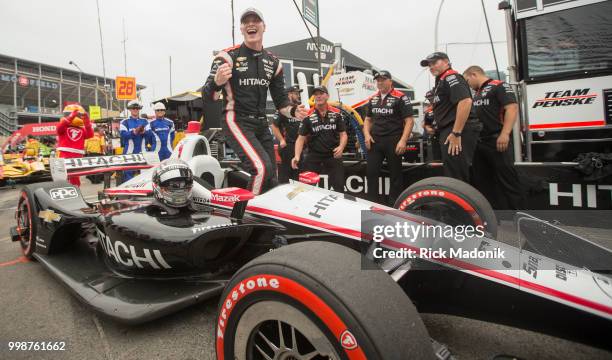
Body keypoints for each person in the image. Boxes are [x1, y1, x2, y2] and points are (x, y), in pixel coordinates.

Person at [203, 7, 308, 195]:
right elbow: (208, 97)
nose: (251, 24)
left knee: (272, 176)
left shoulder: (274, 63)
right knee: (261, 169)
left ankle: (270, 216)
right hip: (235, 120)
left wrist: (294, 112)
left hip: (261, 123)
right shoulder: (227, 57)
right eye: (246, 22)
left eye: (255, 20)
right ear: (242, 29)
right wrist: (217, 83)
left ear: (263, 27)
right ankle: (250, 216)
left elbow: (281, 102)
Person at [464, 65, 525, 209]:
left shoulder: (499, 86)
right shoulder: (476, 94)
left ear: (473, 74)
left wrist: (505, 133)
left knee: (508, 180)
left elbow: (512, 108)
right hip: (479, 143)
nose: (468, 85)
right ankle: (491, 218)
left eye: (467, 81)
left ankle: (522, 217)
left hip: (497, 140)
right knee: (483, 182)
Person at [420, 52, 480, 182]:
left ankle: (458, 202)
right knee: (453, 171)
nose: (431, 67)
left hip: (456, 131)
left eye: (434, 63)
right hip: (448, 130)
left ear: (446, 62)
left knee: (456, 174)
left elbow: (465, 101)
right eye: (429, 65)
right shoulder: (441, 80)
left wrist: (456, 133)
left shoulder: (451, 77)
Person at [363, 70, 414, 204]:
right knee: (371, 173)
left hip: (394, 140)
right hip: (375, 141)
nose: (380, 82)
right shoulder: (373, 98)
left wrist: (403, 141)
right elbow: (368, 120)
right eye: (378, 80)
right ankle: (372, 203)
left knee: (395, 175)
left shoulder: (401, 97)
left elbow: (409, 121)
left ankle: (394, 204)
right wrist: (367, 135)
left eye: (383, 80)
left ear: (390, 81)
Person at [292, 86, 347, 193]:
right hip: (314, 155)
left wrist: (341, 147)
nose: (318, 96)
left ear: (327, 96)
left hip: (333, 154)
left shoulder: (337, 113)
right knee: (305, 187)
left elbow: (343, 134)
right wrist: (297, 156)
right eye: (316, 94)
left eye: (321, 93)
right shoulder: (308, 115)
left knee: (339, 186)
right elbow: (300, 138)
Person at [56, 104, 94, 186]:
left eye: (79, 115)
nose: (78, 117)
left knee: (75, 177)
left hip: (77, 155)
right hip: (64, 153)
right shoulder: (64, 127)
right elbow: (59, 128)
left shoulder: (82, 129)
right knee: (61, 176)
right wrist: (71, 116)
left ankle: (76, 191)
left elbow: (90, 134)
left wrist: (87, 120)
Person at [271, 85, 303, 183]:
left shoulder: (299, 108)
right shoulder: (283, 109)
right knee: (285, 176)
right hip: (288, 146)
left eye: (298, 93)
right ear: (289, 94)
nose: (298, 96)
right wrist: (281, 140)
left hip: (300, 146)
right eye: (296, 93)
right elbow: (273, 125)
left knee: (298, 174)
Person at [120, 100, 151, 181]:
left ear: (139, 109)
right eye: (133, 108)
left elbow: (150, 134)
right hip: (129, 153)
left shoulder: (145, 121)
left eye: (137, 108)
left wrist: (144, 132)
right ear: (129, 109)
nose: (135, 110)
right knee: (128, 178)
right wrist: (133, 132)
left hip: (143, 152)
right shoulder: (124, 122)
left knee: (145, 177)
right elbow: (123, 135)